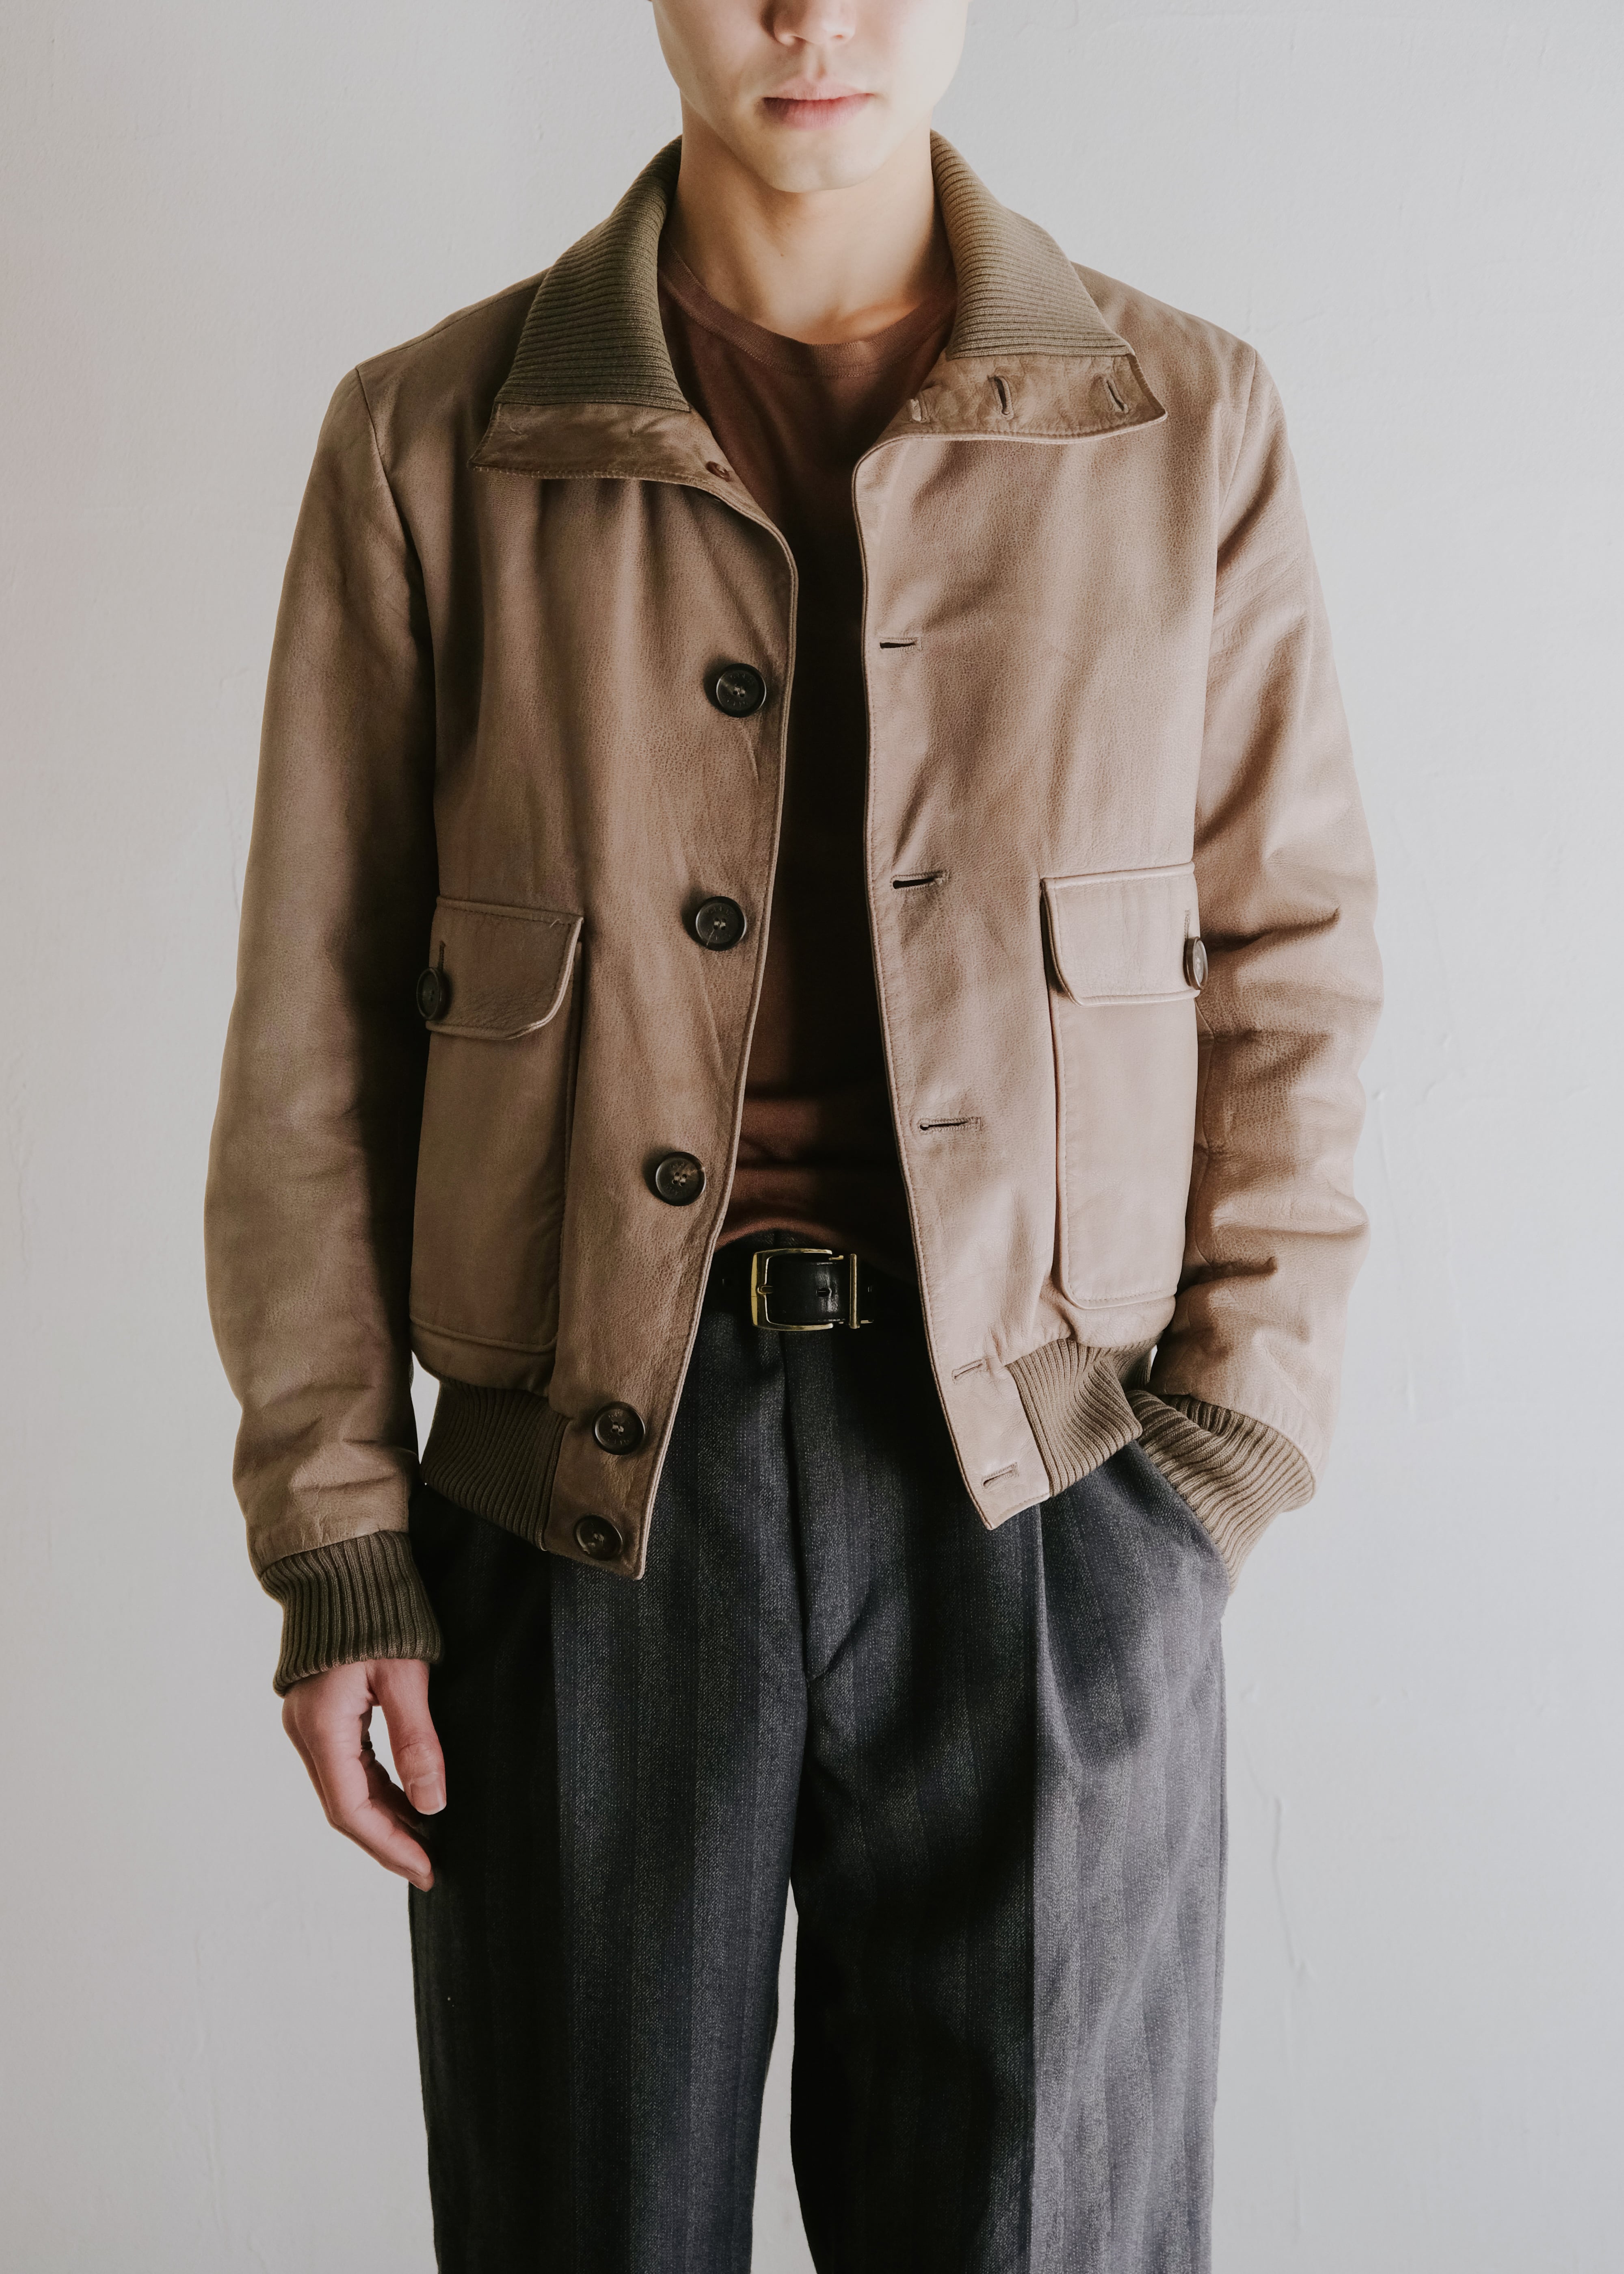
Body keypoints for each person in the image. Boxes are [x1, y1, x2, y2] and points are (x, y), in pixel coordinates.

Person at [205, 0, 1380, 2265]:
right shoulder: (433, 439)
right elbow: (311, 1038)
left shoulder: (1183, 421)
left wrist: (1217, 1465)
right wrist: (338, 1541)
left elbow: (1293, 967)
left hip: (1043, 1491)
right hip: (576, 1501)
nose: (809, 14)